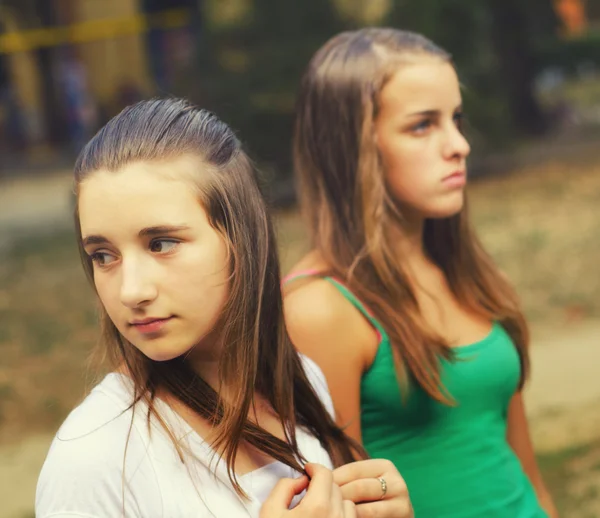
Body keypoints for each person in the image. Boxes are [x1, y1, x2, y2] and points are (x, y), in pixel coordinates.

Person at [35, 98, 413, 518]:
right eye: (103, 255)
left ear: (243, 239)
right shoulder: (94, 454)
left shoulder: (303, 381)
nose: (130, 291)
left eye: (161, 244)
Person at [283, 28, 558, 518]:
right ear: (353, 146)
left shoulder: (468, 274)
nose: (459, 145)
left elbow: (528, 476)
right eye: (422, 126)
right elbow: (344, 507)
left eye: (456, 119)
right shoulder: (320, 309)